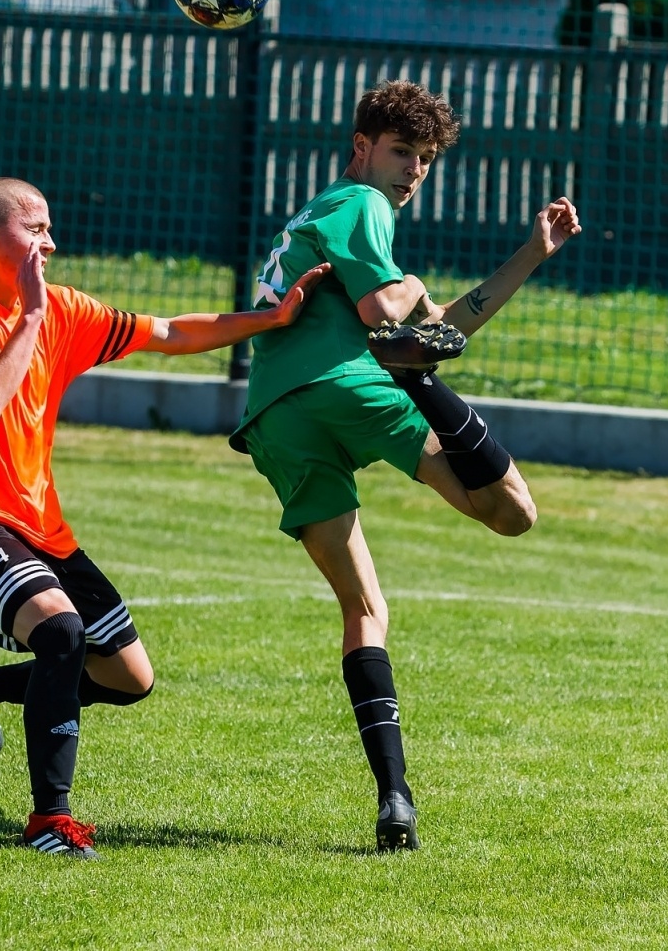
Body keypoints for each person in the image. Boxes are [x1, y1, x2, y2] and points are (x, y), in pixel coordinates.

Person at [0, 177, 328, 860]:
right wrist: (28, 317)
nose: (49, 243)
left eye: (50, 229)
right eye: (35, 228)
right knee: (61, 632)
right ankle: (50, 819)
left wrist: (272, 319)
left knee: (129, 677)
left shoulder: (65, 311)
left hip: (45, 531)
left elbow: (167, 332)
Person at [229, 80, 581, 851]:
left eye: (424, 159)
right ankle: (419, 390)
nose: (413, 170)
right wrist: (415, 296)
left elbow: (434, 332)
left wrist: (530, 253)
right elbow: (389, 316)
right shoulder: (359, 204)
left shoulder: (323, 219)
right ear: (361, 147)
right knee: (513, 512)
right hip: (342, 387)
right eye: (401, 152)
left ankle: (394, 798)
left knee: (365, 609)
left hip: (275, 419)